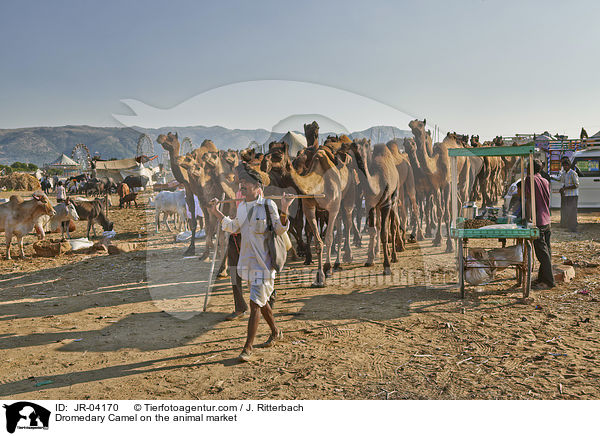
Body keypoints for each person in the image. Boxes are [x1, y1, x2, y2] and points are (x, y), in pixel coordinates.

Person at [208, 164, 294, 362]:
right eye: (241, 182)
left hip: (265, 266)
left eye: (246, 182)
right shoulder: (243, 207)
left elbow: (281, 230)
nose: (242, 185)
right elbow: (232, 226)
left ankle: (247, 347)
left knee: (255, 303)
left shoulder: (268, 206)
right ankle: (275, 332)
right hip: (248, 264)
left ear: (258, 186)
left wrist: (285, 209)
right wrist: (216, 211)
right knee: (262, 302)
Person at [525, 159, 555, 290]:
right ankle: (542, 278)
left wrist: (527, 218)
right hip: (547, 219)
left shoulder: (529, 179)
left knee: (542, 253)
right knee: (546, 252)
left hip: (538, 220)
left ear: (529, 168)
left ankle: (549, 281)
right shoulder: (545, 180)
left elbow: (529, 200)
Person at [557, 157, 579, 232]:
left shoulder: (573, 173)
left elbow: (576, 185)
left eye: (566, 165)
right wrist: (562, 189)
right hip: (567, 195)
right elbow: (563, 183)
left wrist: (565, 188)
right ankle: (569, 226)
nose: (565, 167)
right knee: (568, 211)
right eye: (564, 166)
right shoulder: (564, 174)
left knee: (573, 211)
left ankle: (573, 227)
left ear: (569, 166)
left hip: (573, 195)